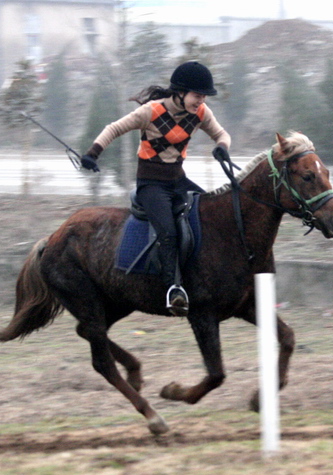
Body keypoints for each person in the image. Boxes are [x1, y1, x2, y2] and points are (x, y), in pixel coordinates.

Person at [81, 61, 232, 316]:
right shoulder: (150, 112)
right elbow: (113, 128)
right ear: (181, 92)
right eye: (198, 95)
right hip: (151, 185)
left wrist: (222, 147)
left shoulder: (201, 113)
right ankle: (174, 289)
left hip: (178, 180)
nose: (201, 100)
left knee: (210, 216)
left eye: (204, 96)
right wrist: (93, 153)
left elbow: (222, 134)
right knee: (169, 232)